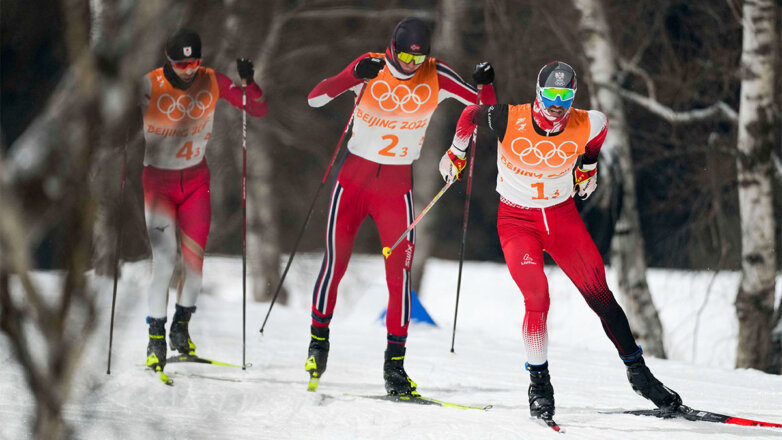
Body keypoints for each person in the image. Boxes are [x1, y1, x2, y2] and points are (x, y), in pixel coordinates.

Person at [438, 61, 682, 419]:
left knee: (601, 296)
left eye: (565, 96)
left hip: (561, 218)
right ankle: (540, 386)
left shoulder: (590, 122)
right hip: (517, 221)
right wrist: (456, 153)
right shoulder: (509, 118)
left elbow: (596, 139)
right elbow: (471, 114)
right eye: (550, 95)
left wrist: (587, 167)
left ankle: (640, 375)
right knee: (537, 298)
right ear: (538, 93)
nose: (557, 104)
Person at [304, 17, 497, 395]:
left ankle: (394, 368)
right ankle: (318, 344)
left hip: (396, 189)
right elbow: (315, 97)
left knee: (399, 278)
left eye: (419, 57)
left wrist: (486, 84)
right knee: (335, 264)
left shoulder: (436, 73)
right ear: (392, 48)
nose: (411, 65)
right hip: (353, 183)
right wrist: (352, 77)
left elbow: (484, 110)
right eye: (406, 58)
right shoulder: (371, 64)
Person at [140, 28, 268, 375]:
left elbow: (256, 109)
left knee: (195, 269)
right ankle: (156, 339)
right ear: (168, 59)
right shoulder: (150, 84)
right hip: (159, 185)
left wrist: (249, 83)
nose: (187, 69)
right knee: (165, 263)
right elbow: (110, 115)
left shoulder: (212, 80)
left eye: (194, 61)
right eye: (180, 62)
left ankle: (180, 331)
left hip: (196, 182)